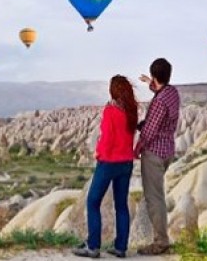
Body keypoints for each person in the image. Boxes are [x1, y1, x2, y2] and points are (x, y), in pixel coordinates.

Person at [73, 75, 139, 258]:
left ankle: (93, 246)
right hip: (126, 163)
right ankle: (120, 247)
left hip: (109, 162)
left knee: (93, 202)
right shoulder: (131, 109)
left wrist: (99, 153)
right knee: (121, 206)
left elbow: (107, 137)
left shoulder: (111, 110)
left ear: (112, 90)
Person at [135, 58, 181, 255]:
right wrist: (150, 83)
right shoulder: (172, 93)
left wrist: (137, 147)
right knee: (159, 195)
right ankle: (162, 238)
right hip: (168, 150)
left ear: (155, 76)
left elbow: (150, 130)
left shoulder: (159, 102)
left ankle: (161, 242)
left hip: (154, 153)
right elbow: (161, 91)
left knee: (154, 198)